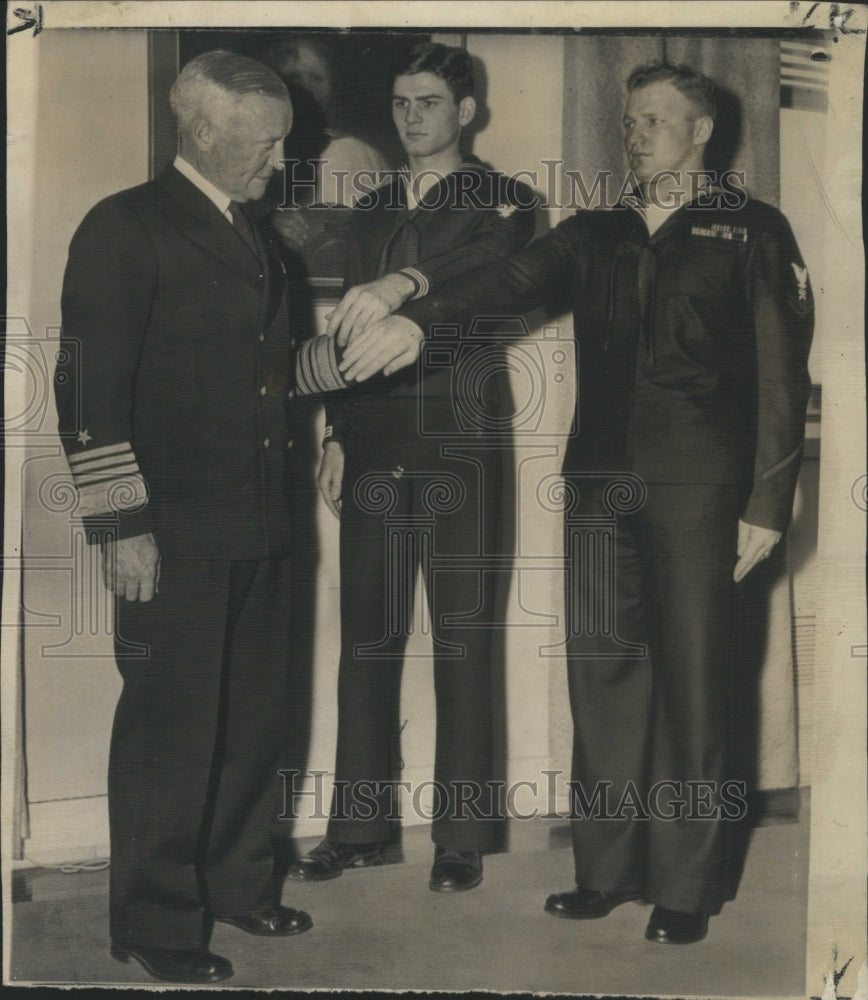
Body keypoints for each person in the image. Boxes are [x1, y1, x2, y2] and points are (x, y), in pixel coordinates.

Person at [336, 62, 814, 943]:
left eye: (655, 122)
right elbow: (506, 280)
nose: (636, 136)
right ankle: (607, 870)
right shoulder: (597, 229)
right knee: (603, 680)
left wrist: (768, 502)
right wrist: (411, 304)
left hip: (701, 493)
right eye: (629, 122)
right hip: (597, 486)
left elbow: (786, 378)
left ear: (701, 131)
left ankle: (685, 886)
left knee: (697, 690)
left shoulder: (751, 229)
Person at [55, 50, 312, 984]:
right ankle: (155, 923)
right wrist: (120, 524)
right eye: (267, 141)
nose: (281, 159)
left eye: (284, 139)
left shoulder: (260, 238)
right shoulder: (125, 226)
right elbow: (87, 388)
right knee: (172, 727)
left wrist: (352, 361)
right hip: (172, 530)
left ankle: (239, 886)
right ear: (203, 132)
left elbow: (269, 380)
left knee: (253, 720)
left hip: (264, 523)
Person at [289, 42, 535, 892]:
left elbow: (490, 276)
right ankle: (360, 829)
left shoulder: (506, 203)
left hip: (461, 440)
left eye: (428, 101)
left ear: (465, 112)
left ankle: (461, 837)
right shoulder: (373, 206)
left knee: (464, 637)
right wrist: (337, 434)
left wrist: (404, 283)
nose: (411, 116)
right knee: (368, 635)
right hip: (376, 440)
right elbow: (351, 335)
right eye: (399, 102)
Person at [262, 36, 389, 268]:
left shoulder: (343, 153)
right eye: (294, 78)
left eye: (317, 78)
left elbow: (328, 254)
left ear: (332, 90)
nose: (305, 89)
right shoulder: (273, 151)